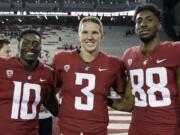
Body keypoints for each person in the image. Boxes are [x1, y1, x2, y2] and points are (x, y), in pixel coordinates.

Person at [53, 16, 133, 135]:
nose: (89, 37)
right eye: (85, 32)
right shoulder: (61, 59)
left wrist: (104, 100)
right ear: (78, 36)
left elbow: (126, 102)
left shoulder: (114, 64)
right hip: (67, 129)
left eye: (95, 33)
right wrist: (60, 111)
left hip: (97, 131)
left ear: (102, 36)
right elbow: (50, 92)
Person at [118, 4, 180, 135]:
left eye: (149, 19)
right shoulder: (128, 55)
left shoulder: (175, 50)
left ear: (159, 25)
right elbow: (129, 103)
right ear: (135, 27)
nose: (143, 24)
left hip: (168, 129)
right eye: (139, 21)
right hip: (137, 129)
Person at [0, 30, 59, 135]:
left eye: (35, 44)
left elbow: (53, 106)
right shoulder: (3, 65)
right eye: (26, 43)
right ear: (19, 46)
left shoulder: (48, 74)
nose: (31, 47)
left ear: (41, 48)